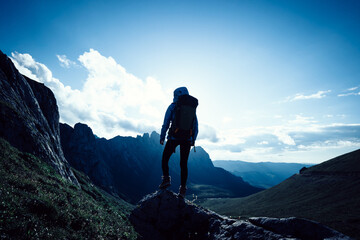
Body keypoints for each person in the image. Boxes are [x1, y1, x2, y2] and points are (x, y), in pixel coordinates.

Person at [159, 87, 198, 198]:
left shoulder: (172, 106)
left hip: (173, 137)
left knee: (165, 159)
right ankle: (182, 190)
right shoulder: (191, 108)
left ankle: (166, 179)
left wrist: (162, 136)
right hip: (187, 139)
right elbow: (196, 126)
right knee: (183, 164)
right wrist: (193, 140)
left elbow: (166, 122)